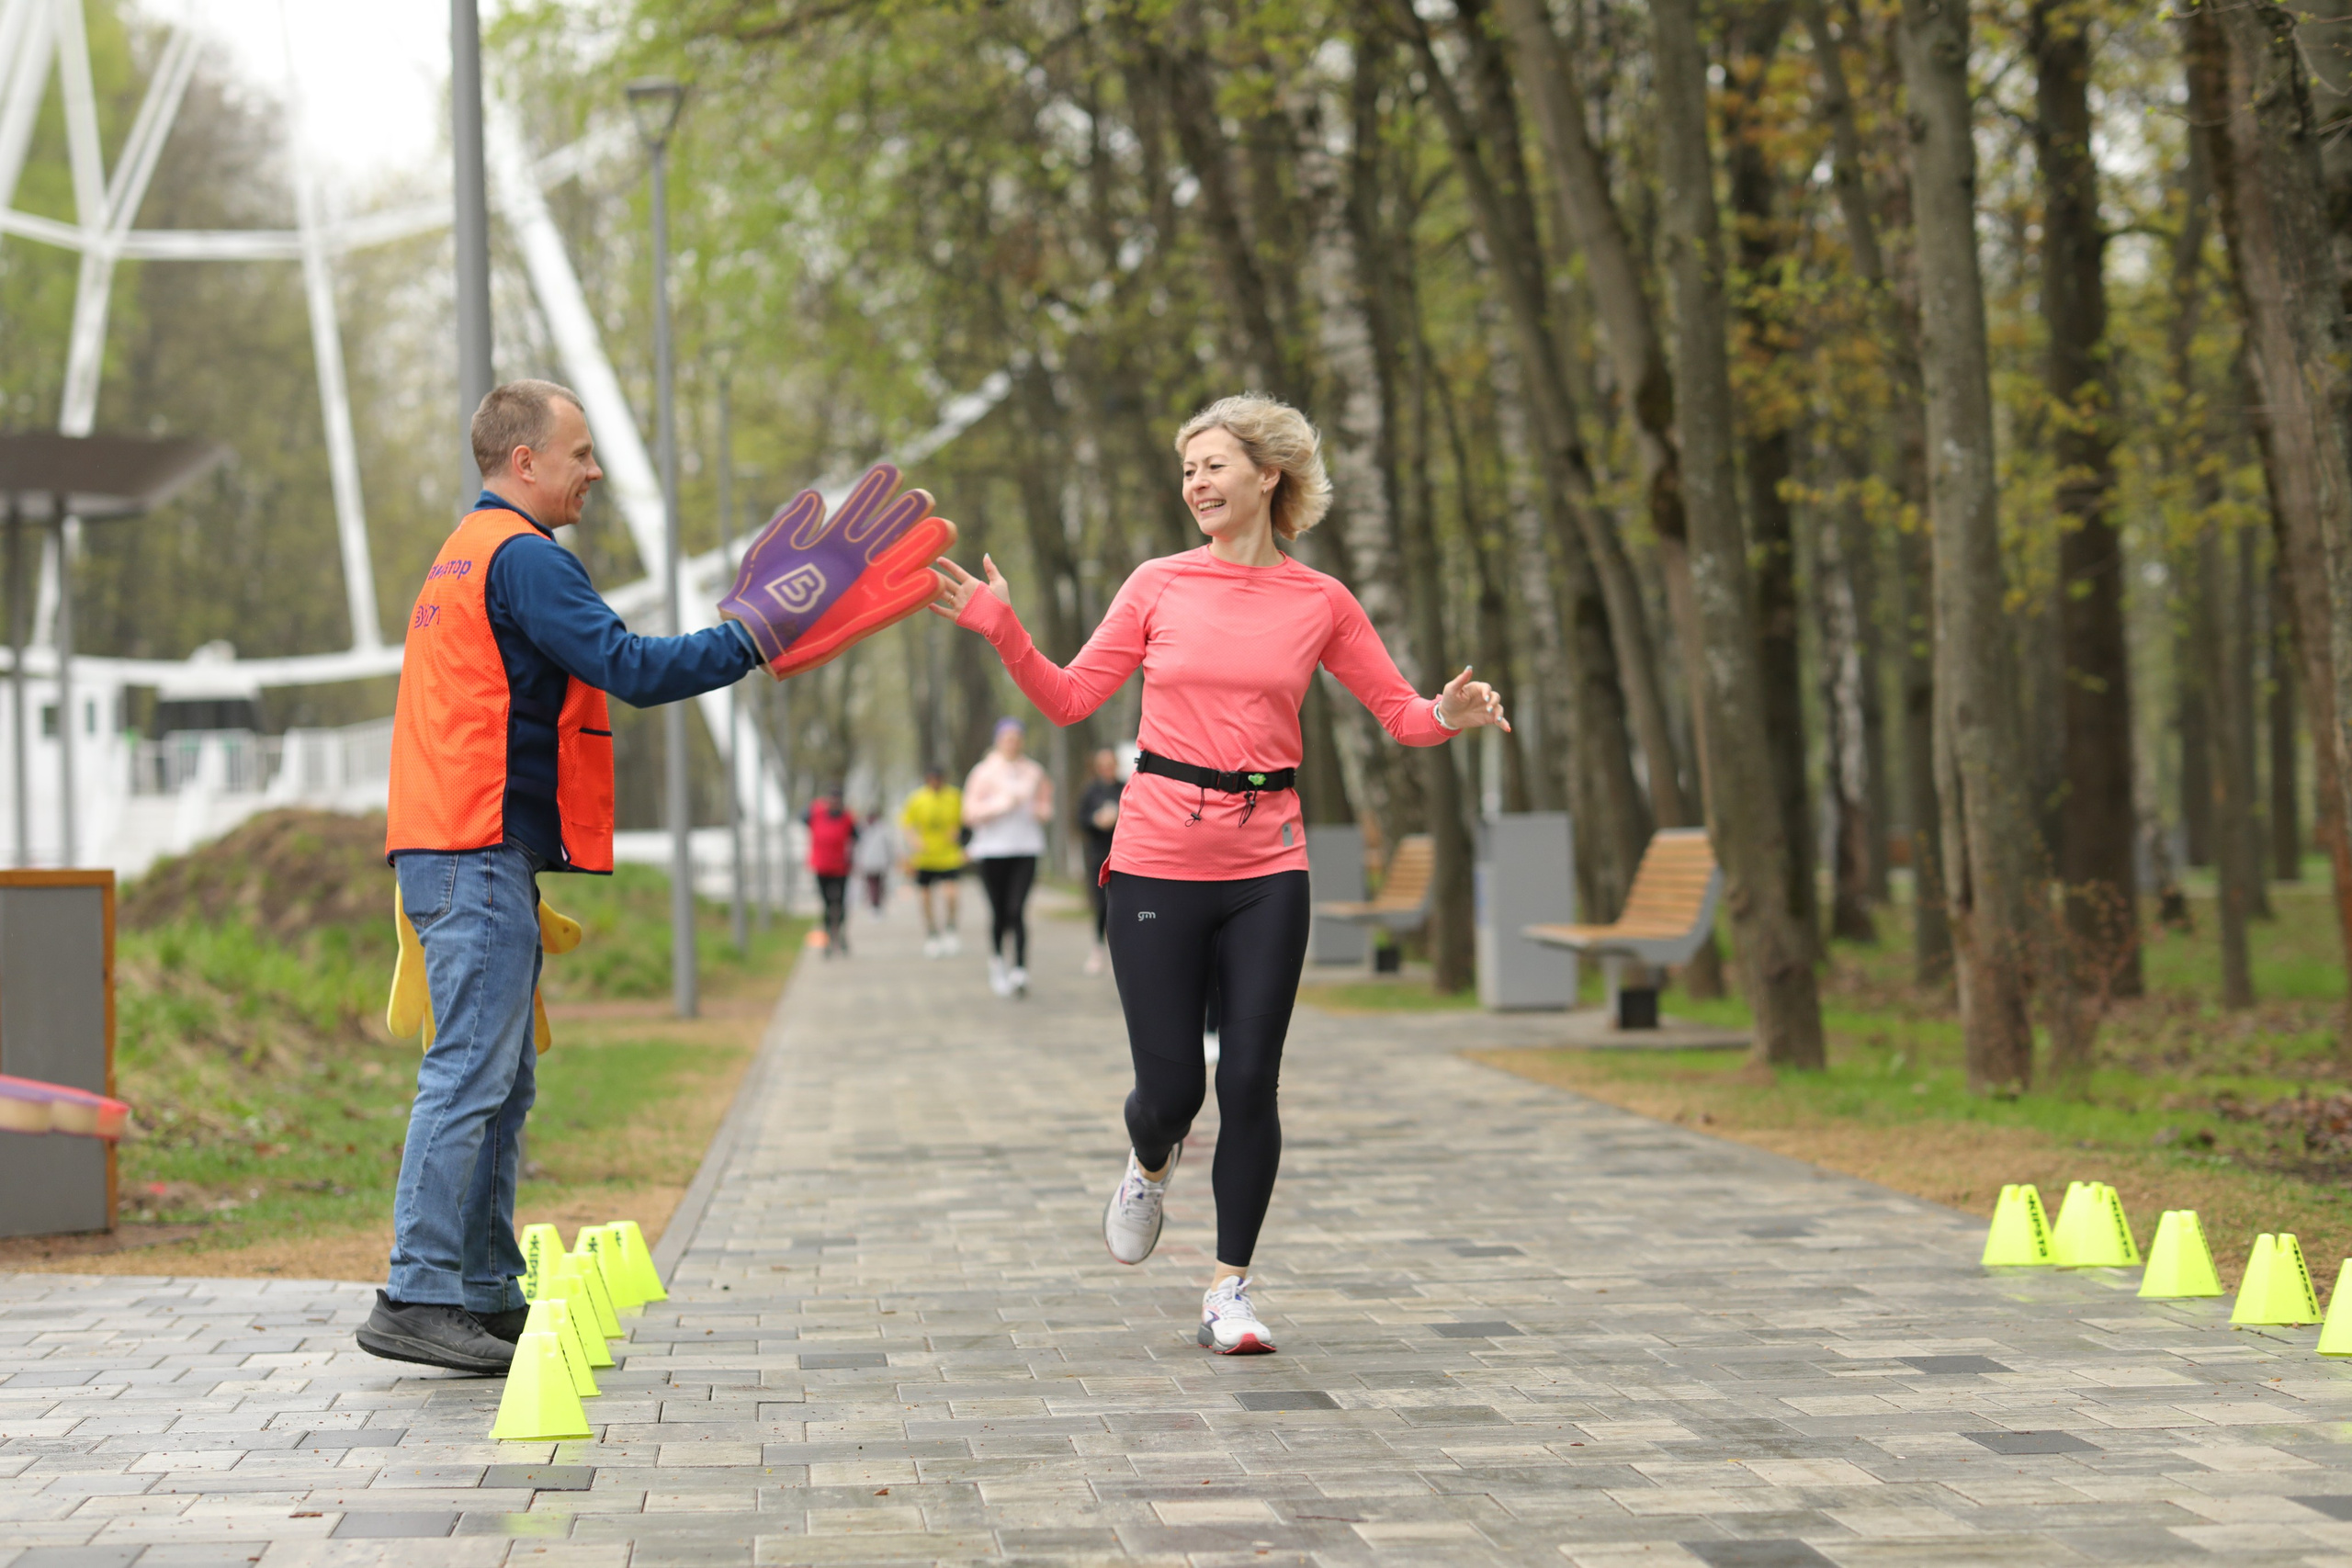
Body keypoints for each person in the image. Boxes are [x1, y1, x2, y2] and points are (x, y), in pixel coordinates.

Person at [934, 393, 1508, 1356]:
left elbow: (1401, 715)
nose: (1195, 483)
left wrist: (1448, 713)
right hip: (1156, 858)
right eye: (1188, 469)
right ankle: (1148, 1161)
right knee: (1172, 1094)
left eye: (1212, 465)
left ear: (1267, 474)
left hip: (1267, 864)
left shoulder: (1320, 601)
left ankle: (1227, 1290)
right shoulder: (1157, 584)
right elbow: (1071, 699)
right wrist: (1004, 630)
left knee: (1248, 1079)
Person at [370, 378, 763, 1373]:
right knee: (470, 1074)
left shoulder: (466, 551)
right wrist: (753, 638)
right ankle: (418, 1290)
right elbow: (629, 666)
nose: (594, 471)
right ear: (525, 461)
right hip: (474, 845)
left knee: (500, 1080)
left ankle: (482, 1288)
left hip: (458, 844)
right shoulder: (524, 557)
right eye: (579, 453)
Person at [963, 718, 1054, 998]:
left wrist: (1039, 811)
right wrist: (1000, 805)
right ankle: (998, 963)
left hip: (1025, 848)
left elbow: (1046, 807)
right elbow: (969, 813)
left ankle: (1020, 969)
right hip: (992, 850)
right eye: (1007, 738)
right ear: (998, 740)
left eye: (1017, 738)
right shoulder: (983, 772)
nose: (1012, 743)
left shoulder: (1034, 772)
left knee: (1017, 909)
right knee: (999, 912)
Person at [899, 766, 966, 957]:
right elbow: (907, 824)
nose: (935, 783)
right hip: (925, 858)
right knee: (925, 897)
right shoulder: (917, 798)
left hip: (948, 856)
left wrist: (960, 834)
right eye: (932, 779)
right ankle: (932, 933)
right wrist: (914, 840)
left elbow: (967, 820)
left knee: (951, 894)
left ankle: (951, 928)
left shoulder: (954, 797)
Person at [1077, 748, 1124, 976]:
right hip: (1097, 854)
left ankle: (1121, 951)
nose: (1107, 768)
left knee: (1121, 905)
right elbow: (1080, 819)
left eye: (1110, 764)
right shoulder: (1090, 790)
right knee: (1101, 905)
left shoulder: (1124, 787)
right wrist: (1096, 820)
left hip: (1122, 853)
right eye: (1102, 764)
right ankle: (1098, 948)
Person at [806, 785, 857, 954]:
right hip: (821, 866)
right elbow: (802, 817)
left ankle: (841, 935)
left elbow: (856, 836)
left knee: (840, 903)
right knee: (826, 904)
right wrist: (817, 804)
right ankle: (828, 937)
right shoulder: (816, 814)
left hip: (841, 867)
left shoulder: (847, 818)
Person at [854, 807, 896, 913]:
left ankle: (878, 903)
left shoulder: (883, 828)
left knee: (879, 884)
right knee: (871, 884)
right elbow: (858, 846)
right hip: (868, 861)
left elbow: (889, 846)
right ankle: (874, 904)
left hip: (880, 860)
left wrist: (890, 859)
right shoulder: (862, 829)